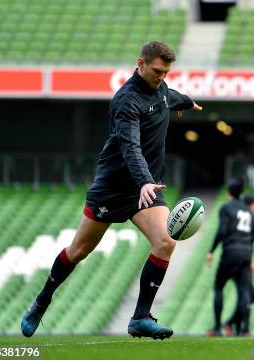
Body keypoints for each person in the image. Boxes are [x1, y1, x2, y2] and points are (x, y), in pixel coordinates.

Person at [21, 40, 203, 339]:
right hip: (115, 188)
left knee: (166, 242)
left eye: (166, 72)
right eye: (157, 71)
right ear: (140, 63)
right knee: (79, 250)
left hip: (147, 189)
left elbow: (170, 96)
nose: (162, 77)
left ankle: (140, 317)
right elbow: (130, 146)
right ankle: (42, 300)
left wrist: (187, 102)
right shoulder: (125, 101)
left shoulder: (160, 88)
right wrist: (144, 180)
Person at [206, 178, 254, 336]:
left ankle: (217, 328)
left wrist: (212, 250)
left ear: (228, 192)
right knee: (244, 291)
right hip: (246, 251)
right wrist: (251, 258)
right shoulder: (249, 211)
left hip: (231, 251)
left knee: (219, 287)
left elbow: (222, 231)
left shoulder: (226, 208)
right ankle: (245, 330)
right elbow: (253, 235)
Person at [222, 193, 254, 336]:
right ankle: (243, 329)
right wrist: (249, 262)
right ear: (251, 205)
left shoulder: (241, 217)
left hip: (235, 259)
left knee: (248, 295)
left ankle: (232, 325)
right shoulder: (245, 218)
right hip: (239, 261)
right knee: (247, 294)